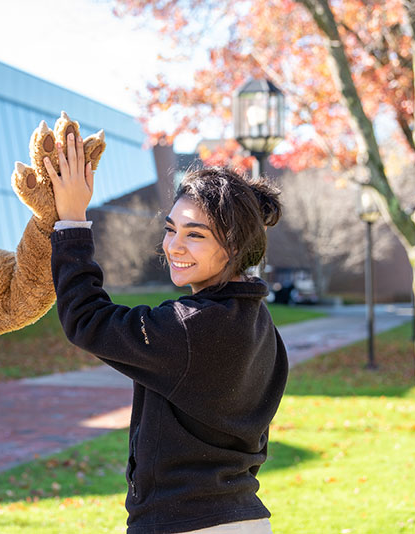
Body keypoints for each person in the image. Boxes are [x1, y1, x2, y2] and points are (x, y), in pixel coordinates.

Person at [44, 133, 288, 534]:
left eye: (195, 234)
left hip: (185, 522)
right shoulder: (261, 325)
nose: (174, 246)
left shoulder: (193, 327)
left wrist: (71, 221)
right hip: (243, 518)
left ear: (235, 245)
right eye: (171, 228)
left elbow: (86, 319)